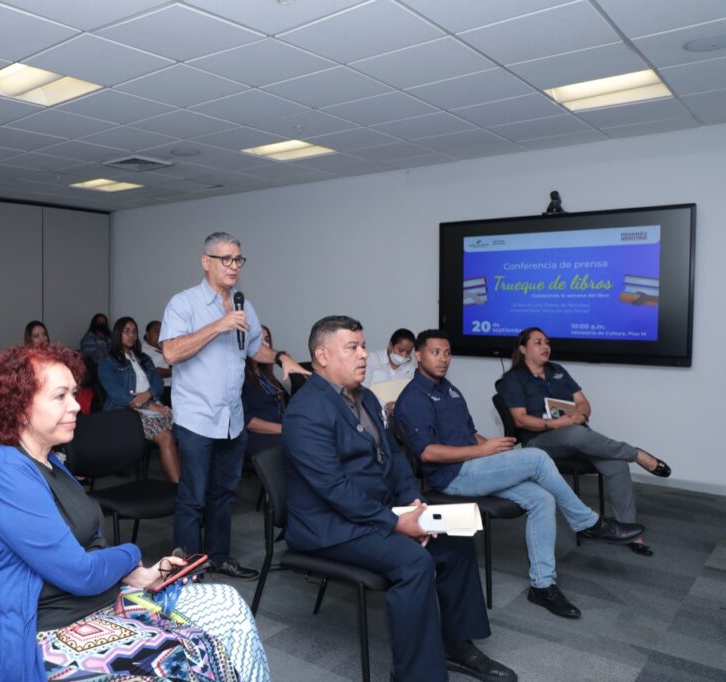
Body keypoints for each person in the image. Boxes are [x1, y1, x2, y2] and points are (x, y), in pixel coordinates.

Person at [0, 343, 270, 681]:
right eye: (60, 396)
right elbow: (79, 572)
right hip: (43, 630)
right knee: (179, 658)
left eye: (74, 394)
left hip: (96, 599)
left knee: (227, 605)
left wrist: (132, 573)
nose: (76, 406)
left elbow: (89, 541)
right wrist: (132, 556)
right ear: (20, 407)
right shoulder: (4, 474)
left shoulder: (50, 460)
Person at [283, 316, 516, 682]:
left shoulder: (368, 397)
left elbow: (393, 458)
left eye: (363, 346)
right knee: (413, 562)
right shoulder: (305, 411)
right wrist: (396, 522)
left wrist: (413, 504)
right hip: (329, 526)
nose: (364, 355)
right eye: (353, 348)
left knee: (454, 542)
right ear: (322, 356)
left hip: (375, 512)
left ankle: (456, 644)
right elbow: (333, 488)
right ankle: (415, 674)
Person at [395, 330, 644, 619]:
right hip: (452, 476)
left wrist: (493, 446)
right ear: (419, 355)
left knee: (541, 498)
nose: (443, 359)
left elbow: (469, 434)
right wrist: (483, 451)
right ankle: (588, 522)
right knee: (537, 458)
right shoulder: (414, 397)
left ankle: (542, 585)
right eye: (435, 352)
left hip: (475, 466)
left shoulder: (449, 389)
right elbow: (427, 453)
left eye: (447, 352)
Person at [160, 232, 308, 579]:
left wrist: (283, 356)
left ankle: (217, 556)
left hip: (232, 418)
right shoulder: (183, 304)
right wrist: (218, 325)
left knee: (224, 494)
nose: (233, 266)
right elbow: (171, 352)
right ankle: (186, 569)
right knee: (193, 496)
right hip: (197, 416)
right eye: (225, 259)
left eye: (238, 259)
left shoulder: (245, 305)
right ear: (206, 262)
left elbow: (256, 349)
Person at [497, 327, 671, 556]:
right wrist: (556, 425)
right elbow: (520, 420)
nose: (545, 346)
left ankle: (629, 531)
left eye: (547, 342)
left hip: (575, 439)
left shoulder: (557, 370)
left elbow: (583, 402)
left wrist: (581, 415)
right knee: (575, 434)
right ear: (522, 348)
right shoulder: (513, 379)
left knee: (615, 463)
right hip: (539, 442)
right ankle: (636, 454)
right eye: (538, 342)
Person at [98, 317, 179, 482]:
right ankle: (179, 488)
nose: (131, 335)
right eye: (126, 331)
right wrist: (148, 404)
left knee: (186, 434)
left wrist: (148, 394)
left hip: (151, 405)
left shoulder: (143, 358)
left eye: (134, 331)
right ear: (117, 334)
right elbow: (117, 394)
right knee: (166, 437)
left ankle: (189, 483)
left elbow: (158, 383)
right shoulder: (107, 361)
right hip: (125, 412)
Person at [242, 325, 289, 459]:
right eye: (257, 340)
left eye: (266, 340)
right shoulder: (239, 378)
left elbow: (290, 405)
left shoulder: (267, 377)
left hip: (279, 431)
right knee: (299, 443)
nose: (263, 345)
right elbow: (247, 422)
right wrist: (284, 429)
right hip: (256, 436)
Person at [141, 320, 172, 402]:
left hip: (175, 387)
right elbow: (154, 372)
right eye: (156, 331)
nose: (160, 334)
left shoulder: (166, 349)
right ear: (147, 334)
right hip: (161, 390)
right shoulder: (143, 351)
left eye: (162, 331)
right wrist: (176, 371)